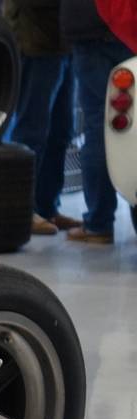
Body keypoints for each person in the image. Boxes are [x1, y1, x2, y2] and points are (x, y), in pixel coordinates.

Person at [61, 0, 135, 242]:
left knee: (99, 128)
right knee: (131, 128)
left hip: (90, 32)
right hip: (129, 33)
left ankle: (99, 223)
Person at [5, 0, 81, 234]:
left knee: (62, 132)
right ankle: (22, 210)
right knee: (31, 131)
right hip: (35, 45)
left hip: (63, 45)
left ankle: (47, 208)